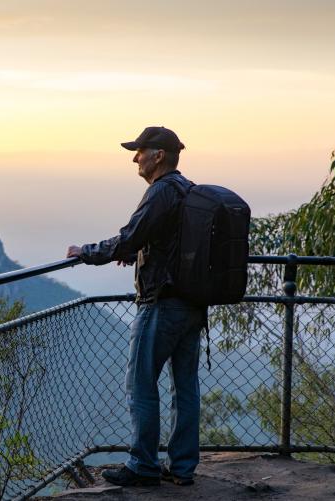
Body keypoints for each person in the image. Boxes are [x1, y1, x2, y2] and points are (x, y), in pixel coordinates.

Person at [66, 126, 205, 487]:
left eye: (140, 150)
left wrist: (87, 253)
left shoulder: (161, 191)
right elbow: (158, 240)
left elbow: (132, 235)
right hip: (192, 304)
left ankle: (143, 465)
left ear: (159, 155)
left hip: (161, 303)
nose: (135, 157)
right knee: (185, 387)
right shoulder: (186, 189)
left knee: (140, 384)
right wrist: (136, 251)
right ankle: (183, 467)